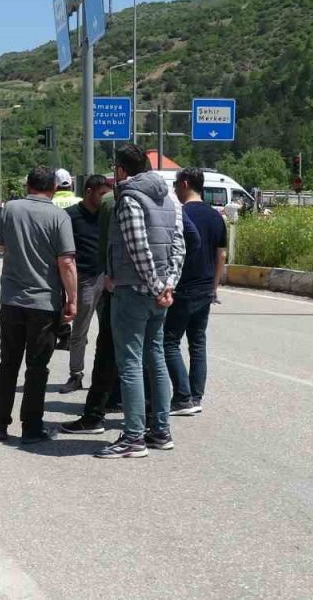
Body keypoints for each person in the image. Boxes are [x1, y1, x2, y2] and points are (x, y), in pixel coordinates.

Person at [95, 144, 186, 459]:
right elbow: (178, 244)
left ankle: (134, 437)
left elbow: (137, 247)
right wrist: (168, 285)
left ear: (121, 171)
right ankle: (160, 431)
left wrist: (157, 285)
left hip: (134, 291)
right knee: (155, 358)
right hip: (159, 295)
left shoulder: (129, 199)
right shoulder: (169, 199)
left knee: (131, 363)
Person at [0, 166, 78, 445]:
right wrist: (72, 299)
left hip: (12, 300)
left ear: (28, 185)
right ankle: (31, 427)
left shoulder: (11, 209)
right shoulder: (59, 216)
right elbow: (66, 262)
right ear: (53, 187)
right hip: (44, 302)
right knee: (37, 367)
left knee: (8, 363)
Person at [165, 168, 228, 416]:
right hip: (204, 288)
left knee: (168, 342)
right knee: (197, 343)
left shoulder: (180, 213)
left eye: (175, 183)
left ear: (186, 183)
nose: (174, 189)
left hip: (183, 286)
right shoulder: (216, 216)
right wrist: (214, 287)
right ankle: (196, 396)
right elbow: (221, 254)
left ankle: (182, 397)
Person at [58, 175, 110, 394]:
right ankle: (76, 374)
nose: (105, 198)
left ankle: (107, 378)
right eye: (101, 194)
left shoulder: (108, 214)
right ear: (89, 192)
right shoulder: (70, 216)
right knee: (80, 331)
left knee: (109, 332)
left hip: (108, 278)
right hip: (85, 279)